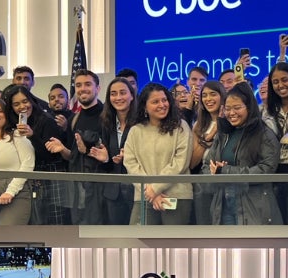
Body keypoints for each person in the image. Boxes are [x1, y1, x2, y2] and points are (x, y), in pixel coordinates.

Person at [203, 82, 282, 225]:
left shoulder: (264, 134)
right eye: (227, 109)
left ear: (249, 107)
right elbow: (207, 165)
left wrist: (225, 171)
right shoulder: (223, 134)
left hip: (253, 207)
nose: (231, 113)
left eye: (237, 108)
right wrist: (213, 174)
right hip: (223, 205)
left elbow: (266, 169)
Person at [124, 83, 193, 225]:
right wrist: (150, 192)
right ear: (145, 107)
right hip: (144, 196)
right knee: (138, 244)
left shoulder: (181, 127)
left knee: (173, 245)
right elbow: (130, 164)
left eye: (164, 100)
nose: (162, 104)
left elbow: (180, 163)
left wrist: (155, 188)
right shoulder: (136, 131)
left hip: (176, 196)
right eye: (155, 101)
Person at [44, 69, 106, 225]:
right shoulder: (73, 119)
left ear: (97, 88)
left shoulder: (108, 117)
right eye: (78, 85)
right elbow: (72, 156)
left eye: (87, 84)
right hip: (79, 193)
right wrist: (62, 149)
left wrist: (90, 151)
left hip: (104, 191)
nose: (82, 88)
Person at [4, 83, 69, 224]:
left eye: (25, 101)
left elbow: (50, 156)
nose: (22, 106)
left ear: (32, 101)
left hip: (50, 177)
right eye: (16, 104)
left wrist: (32, 136)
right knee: (33, 221)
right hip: (27, 178)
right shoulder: (11, 124)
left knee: (54, 222)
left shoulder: (47, 120)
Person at [90, 77, 137, 225]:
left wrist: (130, 156)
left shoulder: (142, 122)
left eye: (122, 93)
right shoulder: (106, 122)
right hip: (113, 193)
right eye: (113, 94)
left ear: (132, 95)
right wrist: (105, 160)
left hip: (137, 190)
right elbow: (107, 166)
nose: (118, 97)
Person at [263, 61, 288, 225]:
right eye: (275, 82)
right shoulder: (267, 111)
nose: (280, 85)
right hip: (276, 173)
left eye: (284, 80)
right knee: (279, 224)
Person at [190, 81, 226, 224]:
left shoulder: (231, 120)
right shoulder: (198, 125)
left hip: (224, 178)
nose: (208, 99)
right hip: (203, 182)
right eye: (204, 95)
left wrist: (220, 126)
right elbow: (193, 163)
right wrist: (210, 136)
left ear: (222, 96)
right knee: (204, 225)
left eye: (213, 94)